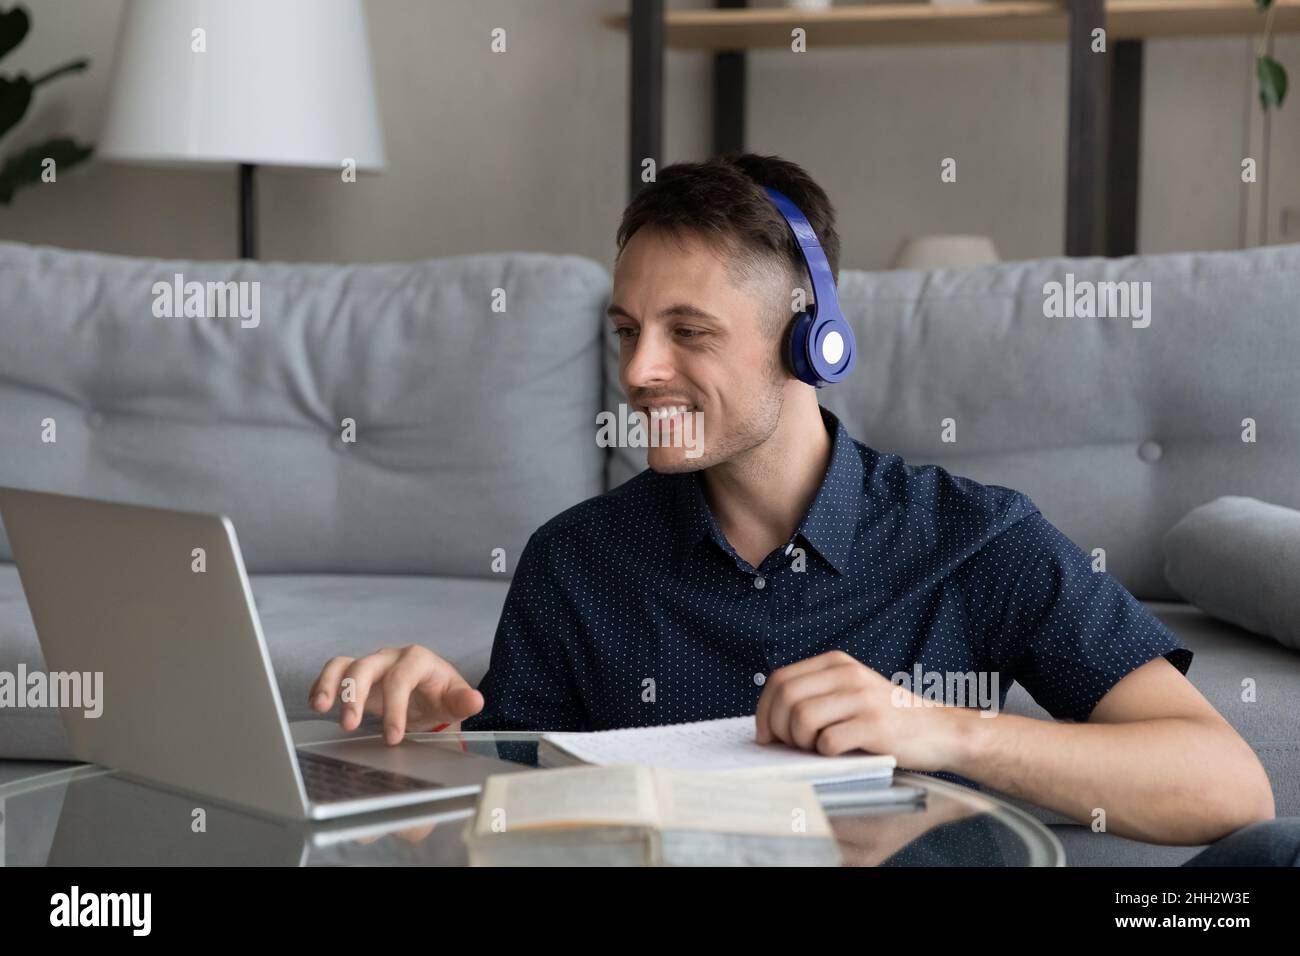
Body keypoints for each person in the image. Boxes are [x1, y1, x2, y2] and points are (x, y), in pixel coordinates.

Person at [309, 153, 1290, 861]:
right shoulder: (578, 561)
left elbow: (1225, 782)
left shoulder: (975, 537)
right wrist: (430, 739)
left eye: (687, 330)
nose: (638, 370)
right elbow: (507, 823)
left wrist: (941, 730)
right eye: (625, 331)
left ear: (810, 343)